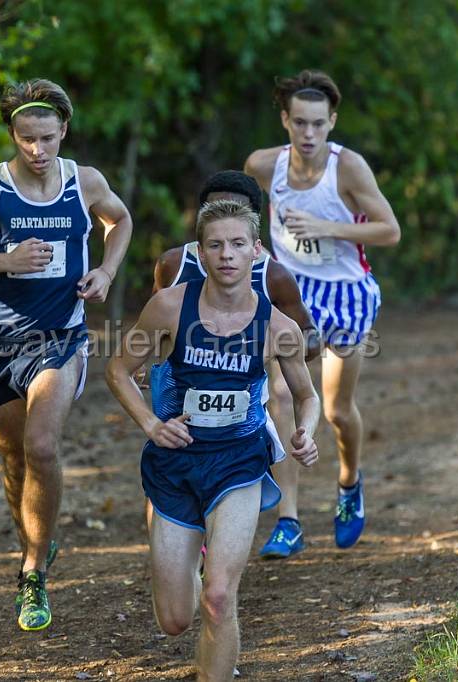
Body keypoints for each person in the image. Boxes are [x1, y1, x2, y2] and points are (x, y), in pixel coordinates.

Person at [0, 79, 132, 631]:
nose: (38, 150)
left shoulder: (85, 182)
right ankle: (33, 544)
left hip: (60, 338)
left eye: (48, 138)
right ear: (13, 134)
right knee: (13, 459)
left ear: (64, 132)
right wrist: (3, 262)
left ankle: (33, 569)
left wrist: (105, 270)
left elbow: (120, 220)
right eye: (27, 138)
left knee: (40, 445)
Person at [105, 200, 320, 681]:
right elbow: (118, 369)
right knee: (176, 619)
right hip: (174, 467)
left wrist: (306, 432)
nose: (227, 254)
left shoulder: (278, 327)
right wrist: (151, 425)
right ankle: (189, 570)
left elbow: (307, 397)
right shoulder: (168, 307)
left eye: (238, 244)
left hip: (238, 464)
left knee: (220, 600)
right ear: (200, 253)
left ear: (256, 252)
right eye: (216, 245)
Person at [244, 70, 401, 550]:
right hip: (291, 291)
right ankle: (288, 518)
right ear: (285, 121)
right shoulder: (262, 165)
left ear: (331, 122)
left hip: (346, 292)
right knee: (282, 393)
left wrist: (326, 227)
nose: (308, 134)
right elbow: (240, 211)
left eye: (317, 124)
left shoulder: (347, 168)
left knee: (334, 408)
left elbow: (389, 230)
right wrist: (248, 248)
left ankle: (350, 483)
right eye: (299, 124)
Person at [151, 170, 321, 560]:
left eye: (239, 224)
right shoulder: (173, 264)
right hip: (183, 376)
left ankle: (288, 517)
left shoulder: (273, 274)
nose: (227, 245)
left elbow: (309, 338)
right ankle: (183, 529)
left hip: (252, 376)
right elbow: (153, 326)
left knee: (281, 389)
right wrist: (150, 361)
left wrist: (266, 350)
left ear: (255, 235)